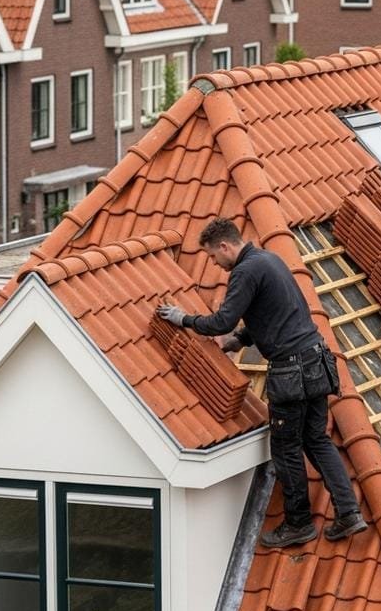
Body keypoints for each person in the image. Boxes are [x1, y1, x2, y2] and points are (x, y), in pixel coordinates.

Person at [156, 217, 367, 548]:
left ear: (225, 246)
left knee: (285, 446)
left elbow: (222, 320)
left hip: (292, 372)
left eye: (213, 256)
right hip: (317, 359)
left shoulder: (245, 271)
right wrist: (239, 341)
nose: (215, 264)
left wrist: (184, 319)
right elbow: (271, 313)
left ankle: (298, 523)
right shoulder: (270, 260)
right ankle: (349, 513)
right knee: (316, 439)